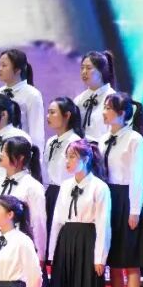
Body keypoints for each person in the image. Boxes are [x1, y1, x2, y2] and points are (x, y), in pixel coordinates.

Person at [47, 140, 111, 287]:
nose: (68, 161)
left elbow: (103, 224)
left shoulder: (99, 187)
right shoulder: (65, 186)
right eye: (67, 156)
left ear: (86, 159)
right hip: (67, 241)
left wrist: (99, 257)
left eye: (72, 156)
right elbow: (57, 221)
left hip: (88, 241)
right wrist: (52, 254)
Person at [100, 94, 143, 287]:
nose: (104, 112)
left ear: (121, 113)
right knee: (114, 260)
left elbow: (138, 176)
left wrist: (135, 209)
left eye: (108, 108)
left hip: (127, 198)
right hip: (109, 198)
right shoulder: (103, 139)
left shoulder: (134, 139)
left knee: (130, 258)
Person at [0, 136, 47, 263]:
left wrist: (40, 254)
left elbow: (38, 222)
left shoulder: (32, 186)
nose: (1, 154)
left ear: (20, 158)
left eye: (5, 151)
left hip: (21, 247)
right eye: (1, 150)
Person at [41, 98, 84, 243]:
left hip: (67, 194)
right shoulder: (51, 141)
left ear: (67, 115)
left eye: (52, 112)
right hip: (51, 193)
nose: (48, 116)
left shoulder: (75, 141)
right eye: (48, 112)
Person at [0, 49, 45, 147]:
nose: (0, 68)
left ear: (17, 70)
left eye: (4, 65)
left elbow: (36, 133)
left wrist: (36, 155)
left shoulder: (32, 94)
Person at [74, 50, 116, 142]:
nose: (84, 72)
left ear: (101, 72)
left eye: (89, 68)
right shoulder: (78, 100)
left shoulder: (113, 98)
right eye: (82, 68)